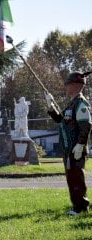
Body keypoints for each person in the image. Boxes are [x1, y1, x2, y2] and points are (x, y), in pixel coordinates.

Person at [45, 71, 91, 216]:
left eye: (68, 84)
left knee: (77, 177)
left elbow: (86, 125)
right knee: (71, 178)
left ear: (76, 85)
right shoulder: (71, 104)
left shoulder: (81, 104)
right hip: (68, 148)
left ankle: (81, 206)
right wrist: (51, 106)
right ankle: (76, 205)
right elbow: (61, 120)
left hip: (76, 148)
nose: (65, 87)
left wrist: (80, 145)